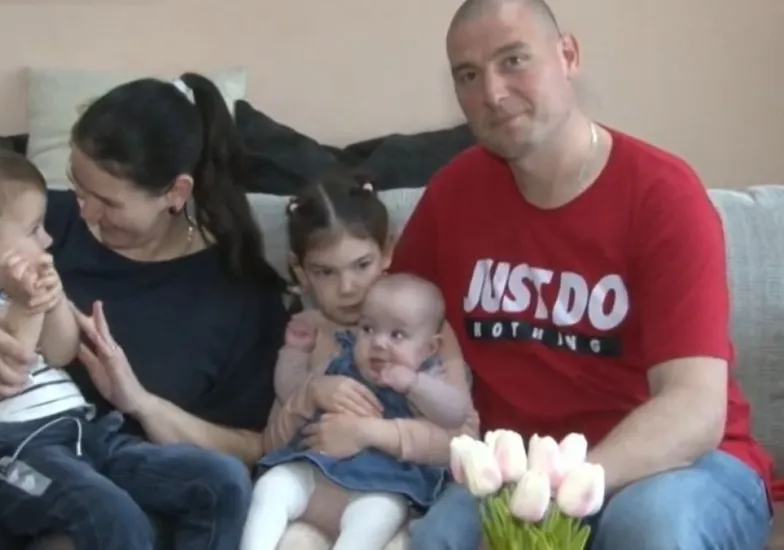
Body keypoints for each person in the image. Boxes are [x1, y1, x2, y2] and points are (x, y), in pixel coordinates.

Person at [0, 73, 288, 550]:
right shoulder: (31, 217)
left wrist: (142, 403)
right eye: (78, 187)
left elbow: (253, 447)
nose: (85, 213)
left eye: (108, 202)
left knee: (133, 514)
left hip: (108, 466)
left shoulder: (241, 294)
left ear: (176, 193)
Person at [397, 1, 774, 549]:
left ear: (568, 55)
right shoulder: (453, 195)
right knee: (440, 537)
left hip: (682, 469)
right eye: (469, 76)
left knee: (648, 527)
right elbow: (389, 315)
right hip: (519, 470)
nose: (493, 93)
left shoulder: (662, 195)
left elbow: (694, 407)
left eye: (513, 60)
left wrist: (567, 489)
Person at [260, 172, 481, 541]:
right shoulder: (306, 333)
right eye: (325, 272)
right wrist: (311, 393)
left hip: (398, 505)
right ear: (300, 270)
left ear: (388, 251)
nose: (348, 288)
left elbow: (465, 444)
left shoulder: (426, 329)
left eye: (361, 265)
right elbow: (271, 447)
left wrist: (371, 433)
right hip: (312, 501)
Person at [243, 271, 475, 550]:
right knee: (271, 486)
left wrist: (415, 384)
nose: (378, 343)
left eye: (397, 335)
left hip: (382, 485)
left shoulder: (428, 379)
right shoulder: (341, 362)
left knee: (381, 514)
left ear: (429, 348)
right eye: (367, 329)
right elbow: (291, 392)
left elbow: (456, 413)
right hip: (314, 470)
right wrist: (297, 355)